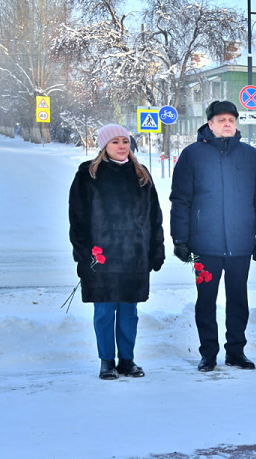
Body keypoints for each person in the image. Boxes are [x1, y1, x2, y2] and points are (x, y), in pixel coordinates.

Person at [169, 101, 256, 372]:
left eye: (231, 120)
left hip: (240, 244)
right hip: (205, 245)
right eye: (221, 120)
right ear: (210, 124)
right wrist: (180, 239)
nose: (227, 124)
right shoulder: (192, 155)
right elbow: (180, 200)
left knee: (238, 300)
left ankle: (236, 352)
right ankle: (208, 353)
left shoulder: (250, 156)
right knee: (206, 301)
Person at [68, 124, 165, 380]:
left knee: (129, 313)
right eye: (115, 142)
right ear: (104, 146)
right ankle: (106, 361)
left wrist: (156, 249)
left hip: (134, 256)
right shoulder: (88, 174)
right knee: (104, 313)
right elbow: (77, 219)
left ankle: (127, 360)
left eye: (125, 141)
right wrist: (83, 255)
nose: (122, 146)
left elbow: (154, 216)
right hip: (101, 258)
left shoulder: (141, 174)